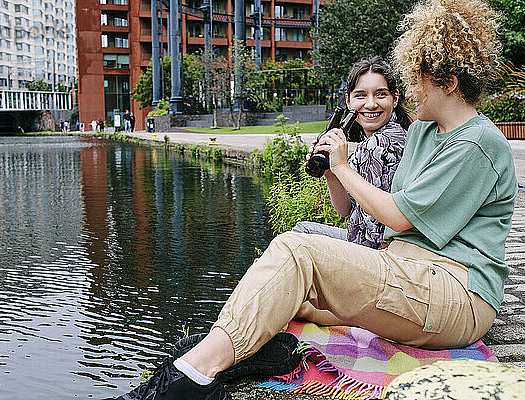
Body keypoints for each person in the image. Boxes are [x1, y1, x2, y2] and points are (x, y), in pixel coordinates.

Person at [110, 1, 518, 399]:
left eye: (416, 78)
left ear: (447, 82)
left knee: (297, 251)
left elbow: (397, 217)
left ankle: (190, 376)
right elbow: (373, 211)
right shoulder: (425, 134)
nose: (408, 89)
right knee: (290, 293)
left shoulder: (478, 144)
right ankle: (236, 354)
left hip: (456, 294)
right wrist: (332, 169)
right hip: (408, 274)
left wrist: (342, 167)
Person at [293, 56, 410, 250]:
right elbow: (346, 210)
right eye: (361, 95)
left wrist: (342, 166)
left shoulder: (379, 144)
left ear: (395, 99)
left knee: (298, 239)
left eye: (380, 94)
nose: (371, 104)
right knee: (302, 232)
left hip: (375, 253)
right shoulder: (385, 136)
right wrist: (331, 172)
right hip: (361, 239)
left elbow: (379, 236)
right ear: (348, 101)